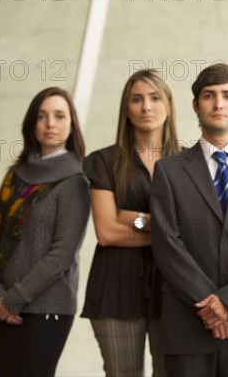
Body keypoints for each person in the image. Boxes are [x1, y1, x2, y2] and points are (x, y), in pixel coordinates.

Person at [150, 63, 228, 377]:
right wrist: (209, 306)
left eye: (227, 95)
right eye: (209, 96)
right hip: (187, 322)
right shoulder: (169, 170)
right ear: (195, 105)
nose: (218, 104)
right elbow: (167, 243)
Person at [0, 87, 90, 377]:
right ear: (32, 123)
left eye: (59, 116)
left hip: (47, 310)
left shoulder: (75, 181)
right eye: (42, 116)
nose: (50, 124)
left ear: (71, 125)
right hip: (5, 307)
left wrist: (15, 298)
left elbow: (62, 254)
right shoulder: (14, 176)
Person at [81, 69, 180, 377]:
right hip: (115, 289)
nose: (146, 107)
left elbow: (192, 233)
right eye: (136, 99)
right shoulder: (102, 162)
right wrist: (160, 229)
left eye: (154, 98)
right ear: (126, 108)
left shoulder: (189, 163)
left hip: (173, 292)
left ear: (169, 106)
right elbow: (107, 231)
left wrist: (131, 217)